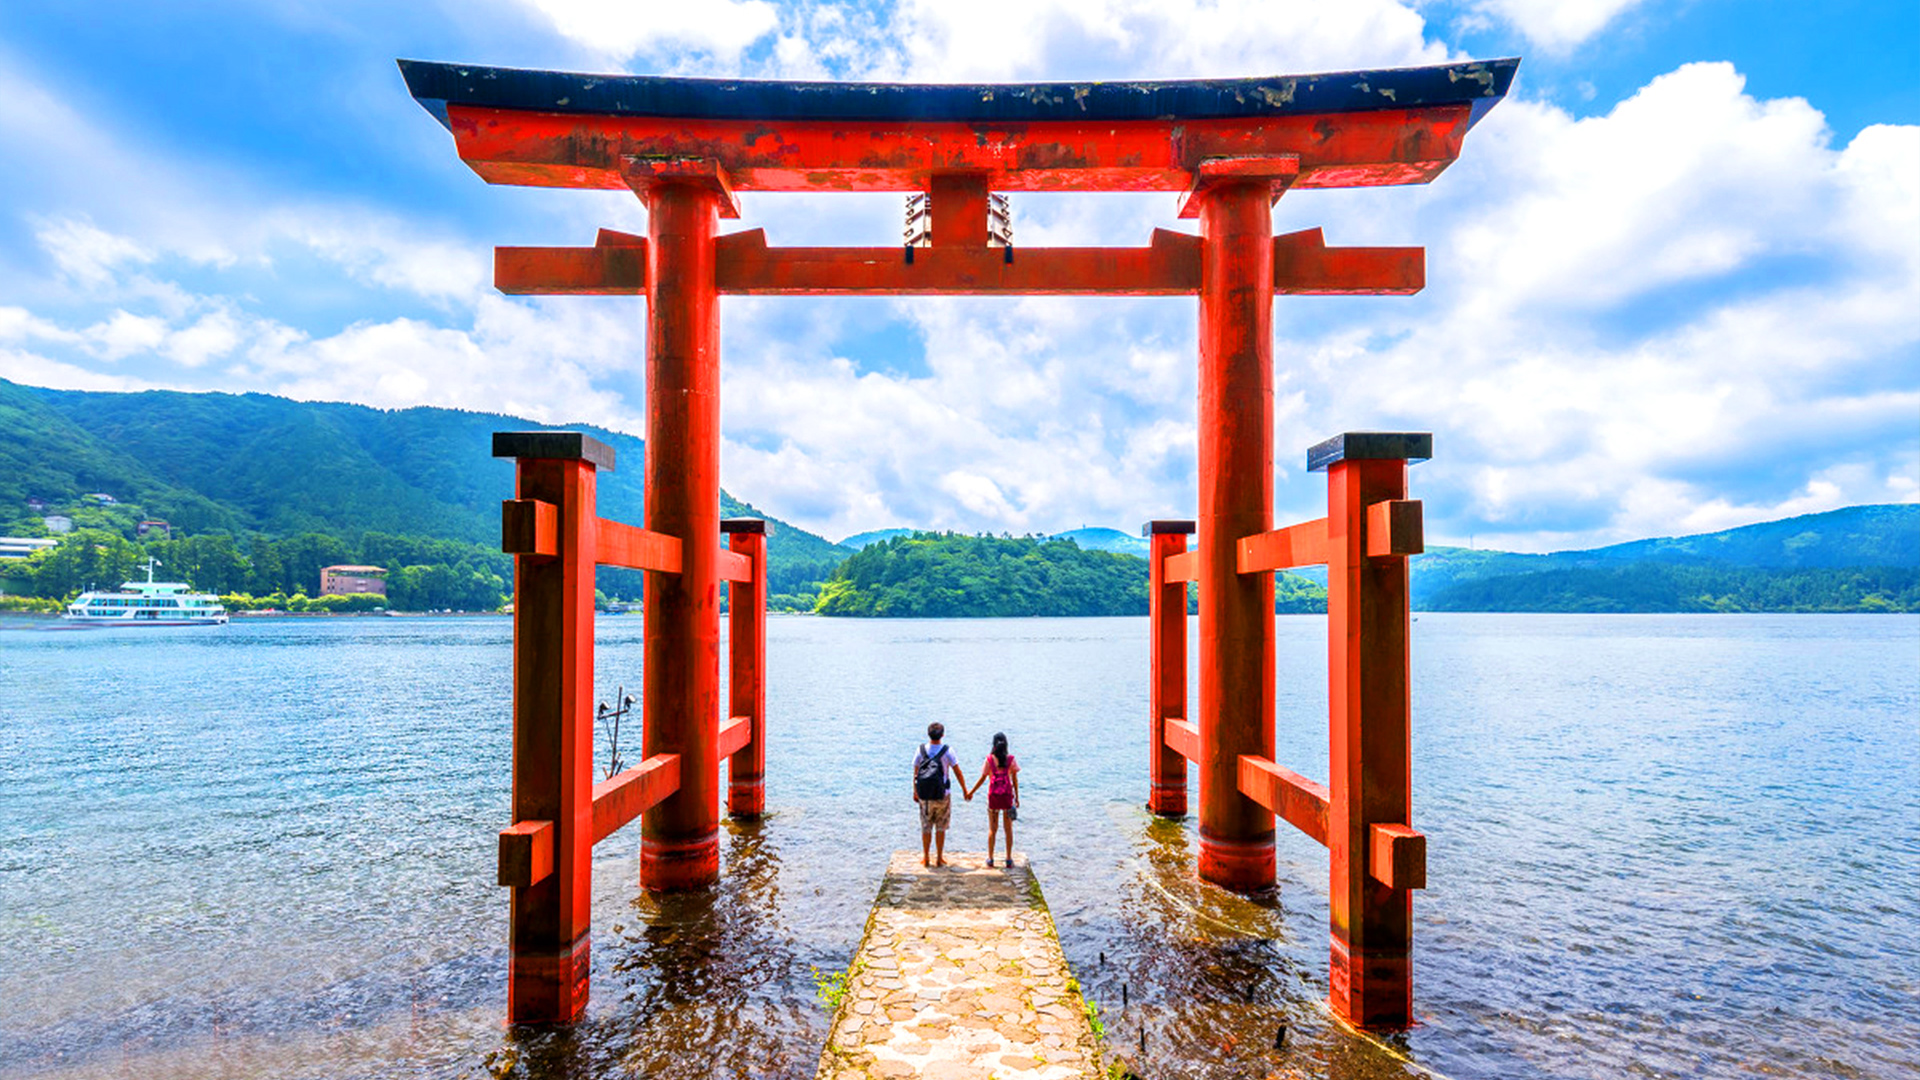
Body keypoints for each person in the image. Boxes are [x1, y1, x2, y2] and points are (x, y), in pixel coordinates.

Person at [912, 721, 970, 868]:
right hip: (943, 795)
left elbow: (916, 774)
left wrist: (915, 792)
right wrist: (965, 789)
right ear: (942, 735)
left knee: (926, 826)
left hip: (925, 796)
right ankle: (939, 858)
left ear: (928, 734)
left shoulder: (920, 750)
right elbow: (957, 772)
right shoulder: (948, 751)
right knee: (940, 827)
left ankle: (925, 858)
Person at [965, 732, 1020, 868]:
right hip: (1007, 798)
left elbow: (982, 779)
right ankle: (1008, 859)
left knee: (992, 829)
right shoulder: (1011, 760)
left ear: (993, 745)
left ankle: (990, 858)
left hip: (993, 798)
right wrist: (1017, 798)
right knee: (1008, 830)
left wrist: (970, 792)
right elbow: (1015, 780)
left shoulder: (989, 760)